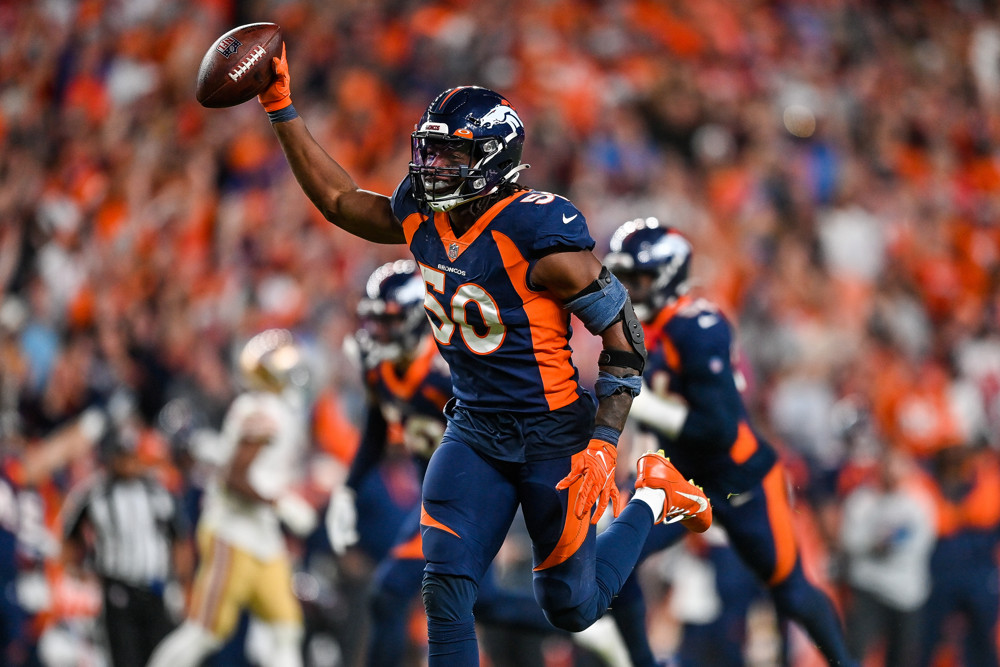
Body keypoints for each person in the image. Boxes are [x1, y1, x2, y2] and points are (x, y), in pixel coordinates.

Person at [254, 47, 711, 665]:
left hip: (552, 431)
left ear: (492, 162)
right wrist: (280, 106)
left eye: (451, 154)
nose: (432, 165)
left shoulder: (538, 235)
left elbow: (625, 340)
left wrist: (605, 443)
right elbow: (339, 200)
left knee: (571, 606)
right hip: (473, 427)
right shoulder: (420, 213)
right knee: (445, 590)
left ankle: (653, 495)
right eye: (430, 149)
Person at [602, 217, 857, 666]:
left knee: (792, 592)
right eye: (621, 277)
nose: (627, 289)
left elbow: (716, 427)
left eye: (636, 279)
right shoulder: (631, 332)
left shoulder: (696, 327)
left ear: (667, 276)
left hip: (738, 480)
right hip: (679, 479)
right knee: (610, 566)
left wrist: (639, 406)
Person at [332, 259, 584, 666]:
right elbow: (376, 433)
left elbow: (505, 429)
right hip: (436, 496)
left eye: (388, 322)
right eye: (374, 322)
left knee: (389, 591)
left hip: (467, 496)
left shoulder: (445, 371)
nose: (376, 333)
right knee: (486, 605)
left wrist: (507, 513)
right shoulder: (380, 368)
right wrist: (348, 489)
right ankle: (589, 627)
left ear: (417, 319)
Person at [146, 328, 317, 667]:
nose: (292, 372)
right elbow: (234, 477)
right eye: (283, 366)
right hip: (233, 532)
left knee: (286, 630)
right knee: (204, 632)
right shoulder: (262, 410)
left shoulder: (275, 409)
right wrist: (281, 504)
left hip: (263, 538)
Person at [60, 417, 191, 667]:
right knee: (125, 659)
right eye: (122, 456)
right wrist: (76, 574)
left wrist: (182, 584)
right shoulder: (93, 494)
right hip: (118, 592)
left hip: (157, 591)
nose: (129, 463)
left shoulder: (159, 492)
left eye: (131, 455)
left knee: (165, 659)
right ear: (110, 458)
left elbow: (179, 539)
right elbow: (69, 537)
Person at [839, 446, 937, 666]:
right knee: (855, 651)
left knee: (902, 656)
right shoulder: (862, 499)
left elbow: (923, 542)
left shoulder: (919, 501)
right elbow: (849, 541)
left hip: (906, 592)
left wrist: (887, 546)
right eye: (888, 465)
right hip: (868, 586)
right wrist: (877, 544)